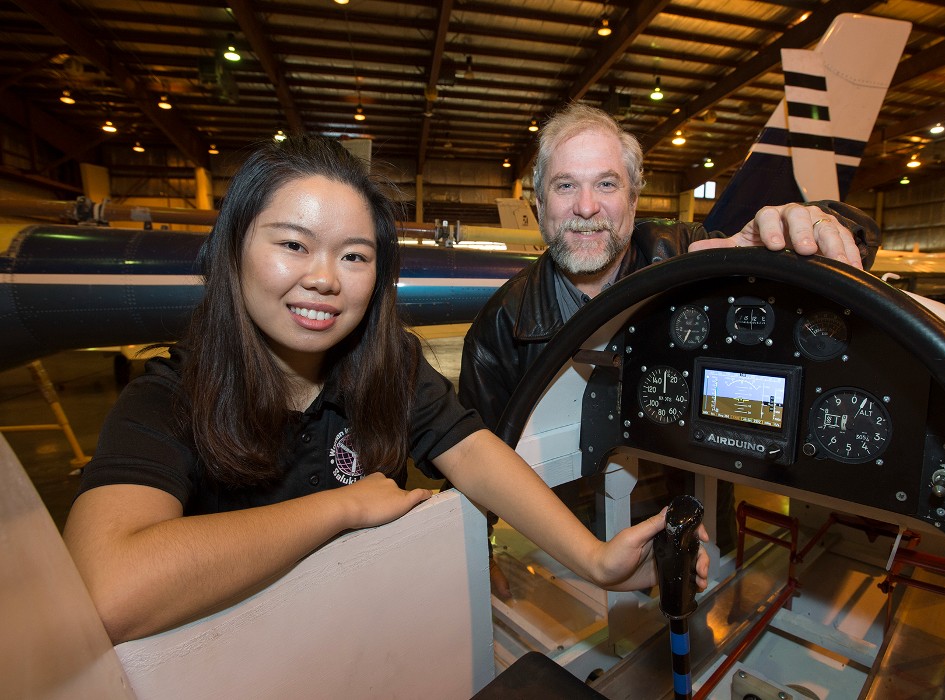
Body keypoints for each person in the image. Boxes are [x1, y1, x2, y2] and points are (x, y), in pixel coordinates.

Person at [61, 134, 709, 645]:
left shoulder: (386, 373)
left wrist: (596, 559)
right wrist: (340, 508)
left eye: (354, 255)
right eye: (293, 243)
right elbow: (109, 592)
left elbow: (476, 451)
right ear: (233, 251)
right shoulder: (168, 401)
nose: (324, 277)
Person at [457, 102, 881, 598]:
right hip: (571, 558)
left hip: (698, 538)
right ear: (539, 204)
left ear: (634, 202)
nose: (587, 206)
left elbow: (843, 254)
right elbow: (471, 454)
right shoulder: (501, 326)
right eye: (565, 185)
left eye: (607, 184)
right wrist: (477, 554)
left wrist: (810, 227)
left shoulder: (686, 258)